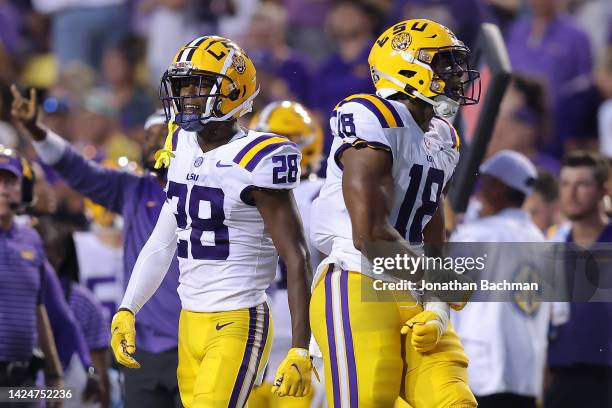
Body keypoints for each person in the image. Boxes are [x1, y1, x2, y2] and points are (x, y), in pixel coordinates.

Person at [110, 36, 316, 407]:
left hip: (238, 319)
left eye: (200, 85)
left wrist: (302, 348)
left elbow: (297, 256)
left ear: (235, 92)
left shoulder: (257, 157)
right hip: (189, 322)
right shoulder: (182, 146)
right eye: (183, 85)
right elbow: (162, 240)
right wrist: (128, 307)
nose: (187, 95)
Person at [310, 19, 480, 407]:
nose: (456, 74)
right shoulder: (372, 116)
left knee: (452, 400)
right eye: (444, 63)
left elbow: (431, 217)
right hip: (357, 280)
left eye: (457, 63)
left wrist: (437, 306)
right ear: (406, 66)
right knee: (368, 400)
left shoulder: (444, 135)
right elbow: (368, 236)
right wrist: (439, 278)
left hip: (413, 288)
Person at [11, 90, 183, 406]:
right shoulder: (131, 189)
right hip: (140, 346)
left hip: (196, 340)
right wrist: (38, 132)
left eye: (162, 135)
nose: (152, 143)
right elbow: (77, 169)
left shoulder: (204, 187)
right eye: (148, 136)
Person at [450, 151, 551, 408]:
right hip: (525, 378)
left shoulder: (477, 236)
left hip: (479, 377)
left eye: (486, 183)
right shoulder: (542, 242)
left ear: (496, 188)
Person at [247, 100, 325, 408]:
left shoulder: (320, 194)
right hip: (274, 331)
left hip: (286, 333)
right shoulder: (323, 194)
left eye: (282, 140)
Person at [545, 151, 612, 408]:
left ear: (603, 190)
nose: (571, 194)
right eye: (565, 184)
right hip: (562, 376)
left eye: (582, 184)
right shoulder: (553, 245)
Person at [0, 147, 64, 407]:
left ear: (22, 190)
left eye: (10, 181)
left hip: (24, 378)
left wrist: (55, 377)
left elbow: (39, 310)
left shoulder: (31, 240)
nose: (3, 188)